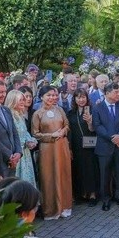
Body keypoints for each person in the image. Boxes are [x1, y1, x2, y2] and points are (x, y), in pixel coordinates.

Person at [32, 86, 73, 220]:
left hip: (62, 146)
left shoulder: (60, 110)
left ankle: (65, 206)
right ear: (42, 97)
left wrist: (63, 131)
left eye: (54, 95)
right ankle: (50, 209)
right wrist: (51, 135)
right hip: (47, 149)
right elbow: (35, 134)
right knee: (48, 177)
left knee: (63, 174)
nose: (52, 98)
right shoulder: (37, 114)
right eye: (49, 95)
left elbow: (67, 125)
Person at [92, 82, 119, 210]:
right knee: (105, 175)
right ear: (107, 93)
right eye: (116, 92)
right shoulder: (97, 108)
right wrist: (113, 138)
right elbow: (97, 126)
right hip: (105, 147)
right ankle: (106, 199)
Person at [68, 88, 99, 206]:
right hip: (76, 145)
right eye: (78, 97)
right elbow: (69, 131)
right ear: (74, 99)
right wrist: (69, 147)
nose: (81, 100)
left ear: (87, 98)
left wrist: (90, 122)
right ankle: (82, 193)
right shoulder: (71, 113)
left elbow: (94, 129)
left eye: (83, 97)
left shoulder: (93, 111)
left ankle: (93, 195)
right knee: (78, 169)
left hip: (90, 145)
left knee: (91, 169)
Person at [5, 90, 38, 187]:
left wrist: (30, 140)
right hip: (16, 153)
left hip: (25, 154)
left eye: (23, 100)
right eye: (20, 100)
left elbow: (25, 132)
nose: (23, 102)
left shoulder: (20, 115)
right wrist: (24, 143)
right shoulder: (9, 116)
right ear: (13, 100)